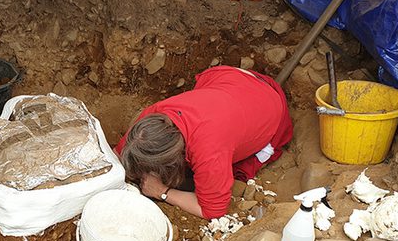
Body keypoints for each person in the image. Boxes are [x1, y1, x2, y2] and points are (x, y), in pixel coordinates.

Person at [114, 66, 293, 220]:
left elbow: (213, 210)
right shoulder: (153, 118)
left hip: (267, 106)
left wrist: (162, 191)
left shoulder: (208, 153)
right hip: (233, 80)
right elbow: (117, 153)